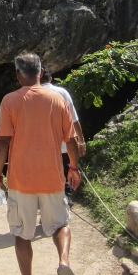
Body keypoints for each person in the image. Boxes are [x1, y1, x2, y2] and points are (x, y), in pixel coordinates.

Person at [0, 52, 83, 275]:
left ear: (18, 75)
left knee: (22, 234)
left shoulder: (10, 101)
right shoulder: (58, 99)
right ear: (41, 72)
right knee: (60, 225)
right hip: (53, 177)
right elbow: (71, 139)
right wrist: (73, 168)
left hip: (21, 181)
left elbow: (2, 142)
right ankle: (63, 261)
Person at [40, 65, 87, 205]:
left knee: (46, 178)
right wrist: (81, 141)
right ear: (50, 78)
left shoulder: (31, 95)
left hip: (42, 147)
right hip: (64, 145)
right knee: (65, 174)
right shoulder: (62, 92)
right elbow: (74, 119)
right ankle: (64, 201)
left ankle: (48, 206)